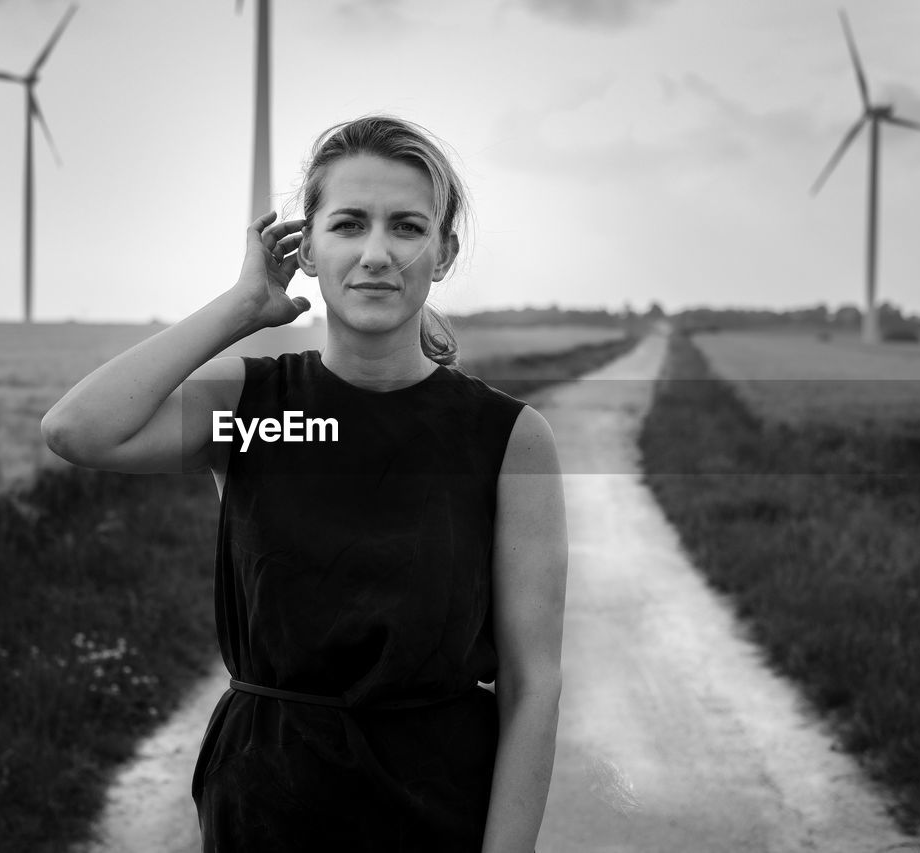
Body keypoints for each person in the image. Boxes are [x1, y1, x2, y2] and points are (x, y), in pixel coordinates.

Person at [41, 114, 568, 852]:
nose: (376, 253)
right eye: (348, 224)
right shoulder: (248, 406)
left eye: (407, 228)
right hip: (263, 807)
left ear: (443, 253)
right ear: (306, 249)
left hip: (437, 808)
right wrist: (240, 307)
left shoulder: (506, 438)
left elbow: (533, 683)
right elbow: (78, 430)